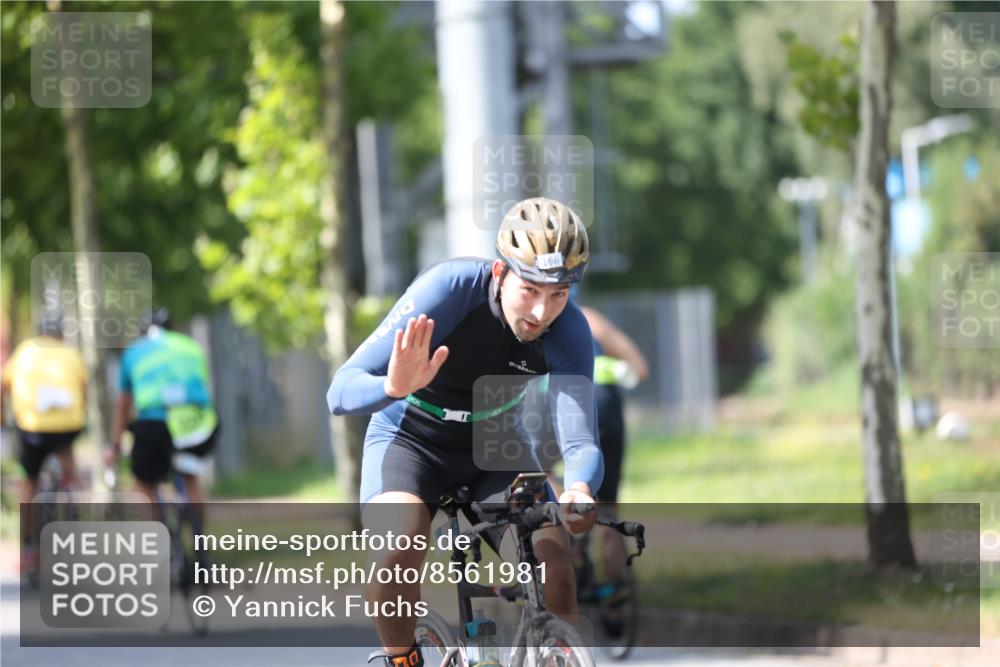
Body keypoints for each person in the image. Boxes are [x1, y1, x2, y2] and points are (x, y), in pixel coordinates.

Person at [328, 197, 603, 667]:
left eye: (558, 293)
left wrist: (579, 487)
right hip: (411, 440)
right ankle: (402, 658)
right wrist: (393, 386)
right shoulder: (449, 290)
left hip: (494, 447)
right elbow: (340, 392)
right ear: (500, 273)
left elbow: (579, 440)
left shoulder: (570, 330)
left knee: (555, 561)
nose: (542, 312)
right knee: (399, 544)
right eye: (530, 289)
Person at [578, 305, 648, 636]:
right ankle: (615, 601)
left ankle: (569, 560)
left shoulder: (536, 320)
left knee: (547, 487)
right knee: (608, 510)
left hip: (567, 412)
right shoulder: (594, 320)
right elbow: (639, 369)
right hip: (608, 411)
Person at [107, 307, 219, 514]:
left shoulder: (134, 351)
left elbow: (124, 403)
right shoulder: (190, 345)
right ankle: (199, 541)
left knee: (144, 485)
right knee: (190, 476)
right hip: (197, 422)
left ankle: (156, 539)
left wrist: (115, 444)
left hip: (154, 422)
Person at [1, 314, 87, 573]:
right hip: (67, 426)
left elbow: (3, 385)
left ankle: (28, 548)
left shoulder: (25, 352)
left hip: (32, 427)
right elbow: (83, 389)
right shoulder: (71, 354)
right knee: (69, 463)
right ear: (60, 333)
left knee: (28, 481)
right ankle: (73, 498)